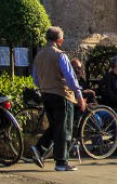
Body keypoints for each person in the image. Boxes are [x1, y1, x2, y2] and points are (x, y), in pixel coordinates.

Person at [29, 26, 86, 172]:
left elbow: (35, 78)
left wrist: (45, 85)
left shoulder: (39, 55)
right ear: (60, 40)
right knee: (64, 128)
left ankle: (39, 149)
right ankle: (61, 162)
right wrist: (79, 96)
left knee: (55, 126)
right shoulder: (60, 55)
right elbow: (71, 77)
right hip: (61, 95)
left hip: (46, 93)